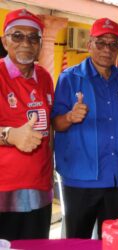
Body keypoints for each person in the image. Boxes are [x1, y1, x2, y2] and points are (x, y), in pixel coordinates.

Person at [52, 17, 118, 239]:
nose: (107, 49)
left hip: (117, 178)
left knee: (113, 241)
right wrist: (70, 116)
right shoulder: (69, 78)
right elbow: (55, 124)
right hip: (80, 179)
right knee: (77, 241)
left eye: (113, 44)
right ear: (89, 44)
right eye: (101, 42)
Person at [0, 9, 54, 240]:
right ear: (4, 40)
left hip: (40, 189)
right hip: (3, 192)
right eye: (17, 35)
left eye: (33, 37)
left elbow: (49, 128)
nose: (26, 43)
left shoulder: (44, 77)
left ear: (40, 44)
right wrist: (10, 135)